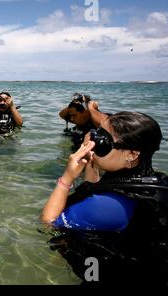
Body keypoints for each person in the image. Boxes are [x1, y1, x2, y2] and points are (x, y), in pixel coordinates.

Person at [41, 112, 167, 283]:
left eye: (102, 140)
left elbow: (48, 223)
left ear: (132, 154)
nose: (93, 142)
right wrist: (92, 161)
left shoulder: (111, 206)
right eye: (95, 133)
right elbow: (94, 190)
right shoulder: (150, 182)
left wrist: (66, 178)